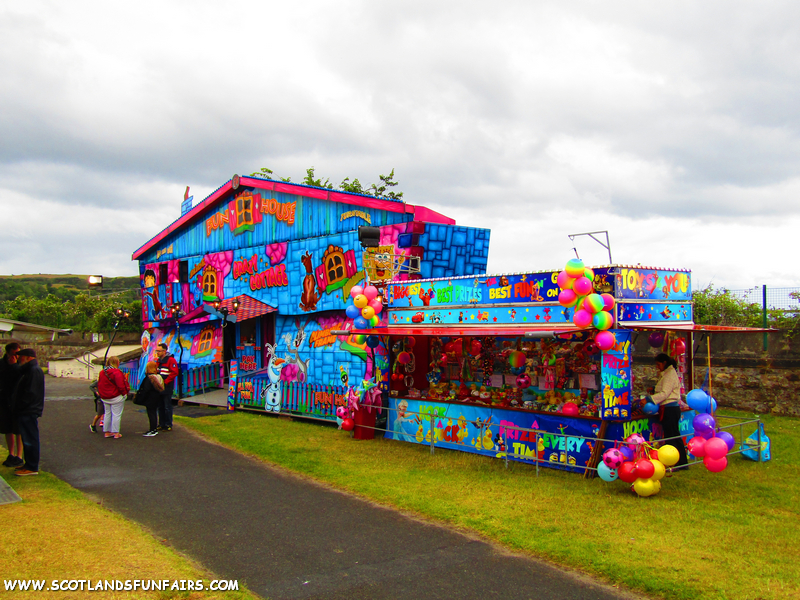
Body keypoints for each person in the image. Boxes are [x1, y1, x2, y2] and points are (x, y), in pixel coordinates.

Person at [646, 353, 689, 469]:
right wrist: (654, 389)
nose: (657, 367)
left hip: (670, 408)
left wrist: (649, 399)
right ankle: (676, 461)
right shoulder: (665, 374)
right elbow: (664, 389)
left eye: (658, 364)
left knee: (673, 436)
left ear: (664, 363)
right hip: (668, 408)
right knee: (671, 435)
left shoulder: (670, 374)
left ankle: (680, 462)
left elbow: (665, 393)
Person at [11, 348, 45, 476]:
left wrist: (21, 406)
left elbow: (31, 393)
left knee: (30, 438)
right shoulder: (29, 370)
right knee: (27, 438)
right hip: (27, 410)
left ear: (28, 357)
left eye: (21, 357)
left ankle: (32, 466)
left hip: (28, 410)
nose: (19, 359)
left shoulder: (33, 371)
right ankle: (29, 464)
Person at [0, 343, 23, 467]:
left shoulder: (20, 365)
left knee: (18, 429)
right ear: (8, 353)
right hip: (4, 400)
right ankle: (11, 453)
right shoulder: (2, 364)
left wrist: (14, 366)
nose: (16, 356)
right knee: (7, 428)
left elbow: (21, 377)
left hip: (17, 401)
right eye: (14, 353)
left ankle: (19, 456)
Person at [97, 356, 130, 439]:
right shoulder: (117, 372)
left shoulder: (102, 372)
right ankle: (116, 432)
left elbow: (100, 384)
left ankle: (107, 432)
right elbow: (121, 385)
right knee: (116, 414)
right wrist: (124, 393)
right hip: (116, 396)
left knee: (107, 414)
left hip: (105, 396)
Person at [135, 361, 165, 437]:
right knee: (154, 413)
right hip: (156, 397)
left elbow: (146, 389)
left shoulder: (149, 378)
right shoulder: (158, 377)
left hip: (150, 398)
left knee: (151, 414)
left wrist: (141, 396)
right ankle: (154, 429)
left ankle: (152, 430)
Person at [155, 343, 179, 431]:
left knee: (167, 406)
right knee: (160, 406)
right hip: (159, 386)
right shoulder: (158, 361)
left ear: (164, 351)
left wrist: (165, 382)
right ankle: (161, 423)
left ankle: (168, 424)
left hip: (167, 386)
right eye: (156, 351)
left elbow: (174, 372)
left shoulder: (171, 360)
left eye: (159, 351)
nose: (157, 352)